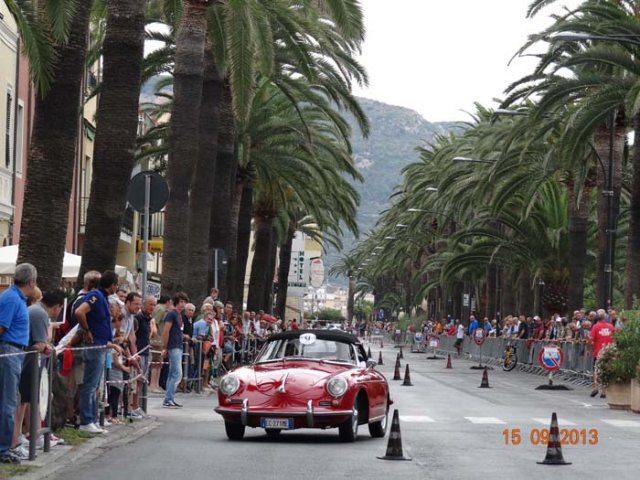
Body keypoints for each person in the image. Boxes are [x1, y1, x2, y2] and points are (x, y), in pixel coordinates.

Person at [74, 270, 123, 434]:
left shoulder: (103, 298)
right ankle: (86, 419)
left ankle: (92, 418)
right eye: (116, 284)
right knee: (90, 384)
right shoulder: (95, 296)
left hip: (102, 346)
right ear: (113, 285)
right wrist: (87, 330)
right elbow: (80, 312)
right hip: (94, 347)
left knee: (95, 385)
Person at [0, 264, 37, 464]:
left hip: (15, 351)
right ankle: (3, 448)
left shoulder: (16, 298)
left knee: (10, 399)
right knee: (8, 401)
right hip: (9, 351)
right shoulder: (12, 299)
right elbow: (1, 327)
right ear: (31, 282)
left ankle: (5, 446)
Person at [130, 295, 157, 417]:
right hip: (139, 353)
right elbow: (133, 336)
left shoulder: (148, 318)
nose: (153, 307)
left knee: (141, 381)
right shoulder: (138, 317)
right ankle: (132, 406)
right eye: (150, 304)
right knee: (136, 381)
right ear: (144, 304)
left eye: (154, 305)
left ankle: (136, 405)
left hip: (146, 352)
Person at [162, 292, 189, 408]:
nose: (183, 304)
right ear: (176, 302)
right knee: (177, 373)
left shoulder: (178, 315)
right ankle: (168, 398)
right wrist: (165, 347)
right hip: (173, 346)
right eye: (181, 302)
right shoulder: (172, 314)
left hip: (178, 345)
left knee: (172, 373)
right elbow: (166, 331)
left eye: (184, 302)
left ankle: (169, 398)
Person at [589, 309, 615, 398]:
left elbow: (590, 339)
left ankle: (596, 387)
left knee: (596, 370)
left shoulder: (595, 327)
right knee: (606, 370)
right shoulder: (611, 327)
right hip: (608, 352)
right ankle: (604, 391)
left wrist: (589, 349)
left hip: (598, 352)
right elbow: (615, 339)